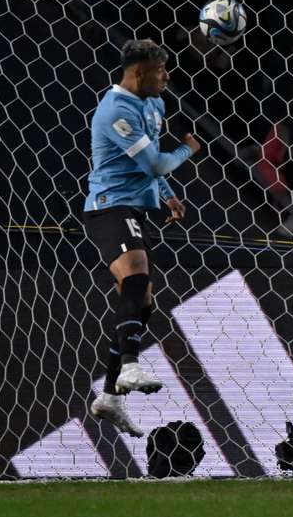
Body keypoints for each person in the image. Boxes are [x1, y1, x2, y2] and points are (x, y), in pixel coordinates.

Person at [83, 39, 201, 437]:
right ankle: (130, 367)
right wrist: (187, 150)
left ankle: (110, 398)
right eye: (160, 70)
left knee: (143, 299)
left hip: (135, 208)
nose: (167, 76)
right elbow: (155, 161)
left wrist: (168, 196)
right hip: (108, 206)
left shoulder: (155, 103)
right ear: (138, 72)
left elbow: (151, 171)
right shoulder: (115, 110)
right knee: (135, 280)